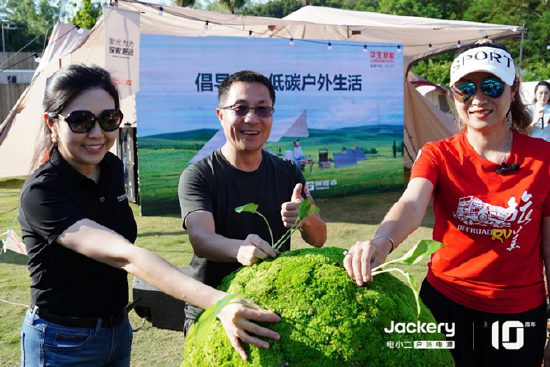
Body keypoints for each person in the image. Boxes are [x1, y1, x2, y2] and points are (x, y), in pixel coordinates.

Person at [19, 64, 281, 366]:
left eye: (108, 119)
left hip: (117, 331)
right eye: (80, 121)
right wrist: (218, 302)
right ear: (52, 124)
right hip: (62, 341)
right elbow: (126, 256)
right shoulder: (42, 193)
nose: (96, 133)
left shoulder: (110, 168)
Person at [343, 40, 550, 367]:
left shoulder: (543, 159)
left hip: (519, 313)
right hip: (446, 304)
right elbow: (411, 205)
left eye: (492, 86)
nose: (478, 99)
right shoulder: (437, 153)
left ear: (513, 90)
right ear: (454, 95)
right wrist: (381, 242)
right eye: (465, 89)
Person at [179, 70, 327, 334]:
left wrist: (304, 218)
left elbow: (319, 238)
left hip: (272, 303)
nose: (252, 119)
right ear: (220, 115)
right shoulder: (200, 175)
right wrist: (239, 248)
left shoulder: (288, 172)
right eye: (240, 108)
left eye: (262, 110)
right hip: (213, 308)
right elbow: (201, 239)